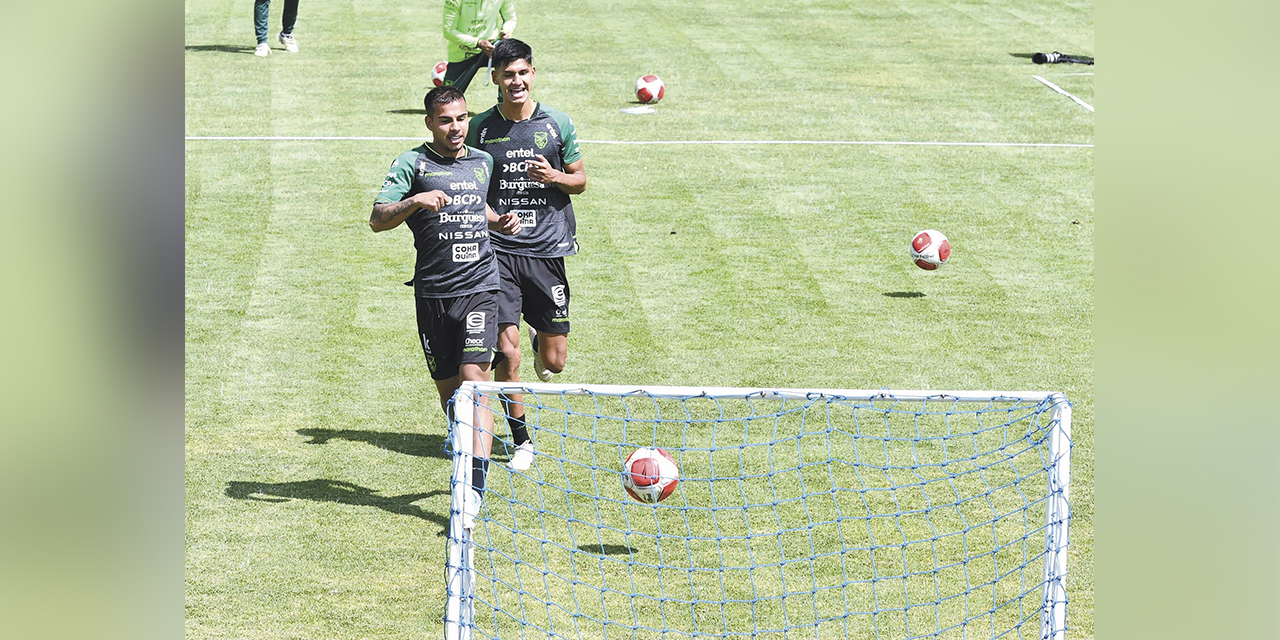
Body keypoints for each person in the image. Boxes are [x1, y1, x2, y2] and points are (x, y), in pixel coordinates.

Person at [369, 85, 521, 525]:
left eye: (461, 118)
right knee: (453, 398)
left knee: (476, 386)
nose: (456, 128)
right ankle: (462, 442)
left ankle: (472, 491)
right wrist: (415, 200)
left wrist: (500, 220)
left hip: (480, 287)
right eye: (446, 120)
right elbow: (377, 219)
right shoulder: (411, 164)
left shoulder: (482, 160)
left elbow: (479, 207)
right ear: (430, 123)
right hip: (433, 295)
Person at [466, 38, 586, 471]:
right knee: (507, 353)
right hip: (495, 251)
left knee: (554, 360)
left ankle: (542, 340)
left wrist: (554, 175)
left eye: (522, 73)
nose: (515, 81)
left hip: (547, 248)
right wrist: (496, 219)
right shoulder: (479, 128)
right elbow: (468, 191)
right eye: (507, 74)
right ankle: (522, 441)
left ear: (533, 74)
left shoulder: (557, 124)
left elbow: (580, 181)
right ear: (495, 78)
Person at [441, 0, 517, 92]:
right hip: (462, 52)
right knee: (447, 97)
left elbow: (510, 18)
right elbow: (448, 31)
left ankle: (507, 103)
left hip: (490, 46)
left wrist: (506, 31)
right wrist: (478, 43)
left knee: (510, 57)